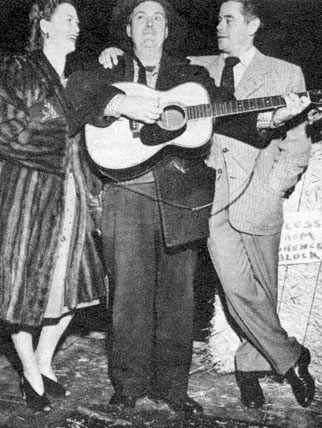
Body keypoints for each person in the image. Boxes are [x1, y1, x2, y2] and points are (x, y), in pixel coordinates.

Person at [67, 0, 310, 415]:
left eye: (158, 18)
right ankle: (128, 386)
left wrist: (275, 120)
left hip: (182, 196)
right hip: (126, 194)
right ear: (127, 30)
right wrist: (119, 103)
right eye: (140, 17)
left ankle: (172, 388)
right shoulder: (111, 67)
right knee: (127, 295)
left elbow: (231, 117)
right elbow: (77, 90)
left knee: (177, 298)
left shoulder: (192, 76)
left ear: (166, 30)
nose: (149, 25)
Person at [190, 0, 314, 410]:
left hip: (258, 197)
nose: (219, 26)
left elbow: (297, 149)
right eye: (218, 19)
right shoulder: (197, 68)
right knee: (236, 288)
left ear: (253, 24)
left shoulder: (284, 72)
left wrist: (273, 189)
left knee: (263, 291)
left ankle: (249, 361)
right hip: (212, 199)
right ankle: (291, 357)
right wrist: (111, 55)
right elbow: (148, 74)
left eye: (229, 19)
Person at [0, 0, 106, 412]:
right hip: (29, 194)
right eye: (68, 19)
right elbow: (10, 132)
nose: (77, 26)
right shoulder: (16, 68)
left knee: (72, 286)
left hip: (74, 195)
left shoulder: (80, 76)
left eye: (79, 19)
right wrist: (70, 107)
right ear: (44, 25)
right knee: (24, 289)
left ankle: (44, 360)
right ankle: (28, 370)